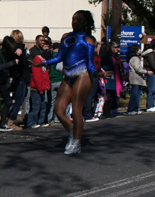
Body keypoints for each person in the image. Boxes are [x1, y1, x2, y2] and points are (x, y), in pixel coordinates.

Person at [41, 10, 108, 154]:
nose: (75, 21)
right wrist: (43, 63)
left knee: (77, 110)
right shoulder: (66, 37)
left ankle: (76, 142)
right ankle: (73, 133)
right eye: (73, 18)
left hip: (83, 75)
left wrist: (97, 73)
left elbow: (90, 63)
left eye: (79, 19)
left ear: (85, 23)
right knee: (59, 110)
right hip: (68, 75)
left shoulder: (88, 40)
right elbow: (59, 57)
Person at [141, 40, 155, 111]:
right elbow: (153, 64)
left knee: (154, 89)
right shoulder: (150, 53)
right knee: (151, 89)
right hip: (152, 72)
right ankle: (149, 106)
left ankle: (151, 104)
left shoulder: (154, 53)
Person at [126, 44, 146, 115]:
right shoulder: (135, 58)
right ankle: (131, 109)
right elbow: (138, 69)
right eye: (139, 49)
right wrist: (146, 71)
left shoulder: (137, 58)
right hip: (135, 79)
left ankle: (135, 108)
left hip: (137, 79)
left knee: (138, 94)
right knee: (135, 94)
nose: (140, 50)